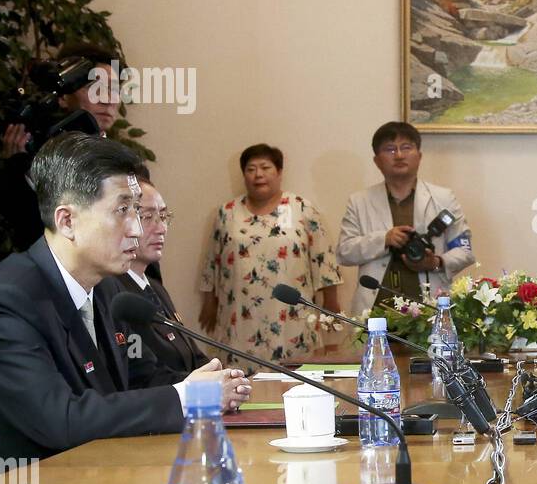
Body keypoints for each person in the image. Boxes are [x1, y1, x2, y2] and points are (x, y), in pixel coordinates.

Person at [0, 134, 249, 465]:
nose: (137, 231)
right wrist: (189, 397)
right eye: (123, 211)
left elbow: (139, 381)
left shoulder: (106, 288)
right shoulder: (3, 304)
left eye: (136, 211)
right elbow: (61, 420)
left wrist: (212, 386)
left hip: (82, 478)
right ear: (67, 221)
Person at [198, 144, 343, 366]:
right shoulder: (226, 212)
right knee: (240, 385)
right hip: (239, 316)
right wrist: (208, 302)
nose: (258, 175)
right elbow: (212, 260)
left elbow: (323, 256)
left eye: (265, 167)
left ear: (279, 172)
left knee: (293, 383)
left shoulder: (301, 208)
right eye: (251, 169)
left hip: (292, 317)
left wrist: (331, 302)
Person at [338, 122, 475, 314]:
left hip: (430, 310)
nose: (399, 155)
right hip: (376, 312)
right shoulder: (359, 201)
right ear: (377, 160)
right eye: (390, 149)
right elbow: (344, 252)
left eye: (406, 148)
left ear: (419, 156)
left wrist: (435, 262)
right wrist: (383, 239)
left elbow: (464, 250)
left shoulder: (443, 198)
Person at [0, 42, 124, 252]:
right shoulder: (38, 153)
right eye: (96, 87)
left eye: (114, 89)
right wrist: (16, 167)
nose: (108, 99)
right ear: (64, 95)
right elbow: (30, 235)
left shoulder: (125, 163)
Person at [108, 173, 209, 372]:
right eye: (146, 217)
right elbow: (142, 375)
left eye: (163, 216)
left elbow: (192, 354)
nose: (161, 228)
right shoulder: (115, 294)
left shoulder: (154, 287)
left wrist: (228, 376)